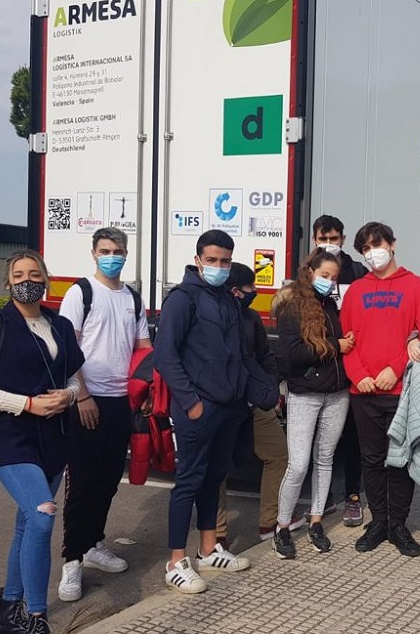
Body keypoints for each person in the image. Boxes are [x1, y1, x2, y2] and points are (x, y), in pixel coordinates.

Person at [0, 250, 85, 634]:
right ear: (7, 282)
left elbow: (75, 378)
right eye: (19, 274)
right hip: (11, 438)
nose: (27, 279)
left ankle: (8, 612)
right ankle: (36, 617)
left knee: (28, 525)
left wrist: (70, 396)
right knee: (43, 515)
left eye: (35, 273)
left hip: (54, 441)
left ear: (46, 279)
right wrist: (25, 404)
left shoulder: (58, 325)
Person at [154, 230, 252, 595]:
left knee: (215, 478)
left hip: (228, 408)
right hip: (197, 408)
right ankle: (176, 561)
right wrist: (192, 402)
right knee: (189, 482)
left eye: (225, 261)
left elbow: (237, 353)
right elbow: (165, 355)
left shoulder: (227, 299)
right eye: (212, 260)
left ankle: (208, 549)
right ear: (198, 260)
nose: (219, 267)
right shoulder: (183, 299)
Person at [57, 227, 151, 603]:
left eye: (118, 250)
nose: (112, 255)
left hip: (120, 402)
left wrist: (146, 389)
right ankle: (72, 559)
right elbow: (67, 347)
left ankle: (94, 543)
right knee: (81, 483)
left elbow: (143, 347)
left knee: (109, 479)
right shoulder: (81, 293)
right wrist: (81, 396)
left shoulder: (132, 298)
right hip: (87, 400)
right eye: (105, 250)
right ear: (94, 253)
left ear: (127, 254)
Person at [341, 221, 420, 557]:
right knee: (371, 460)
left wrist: (394, 369)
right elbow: (346, 343)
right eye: (364, 249)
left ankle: (398, 524)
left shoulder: (416, 286)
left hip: (400, 391)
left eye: (376, 244)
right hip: (362, 392)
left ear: (392, 244)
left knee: (400, 461)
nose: (372, 253)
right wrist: (359, 375)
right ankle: (379, 521)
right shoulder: (355, 291)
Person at [271, 249, 353, 558]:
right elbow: (291, 354)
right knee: (299, 463)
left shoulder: (331, 306)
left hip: (336, 393)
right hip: (305, 393)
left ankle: (316, 520)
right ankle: (282, 527)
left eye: (334, 278)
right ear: (310, 273)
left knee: (325, 458)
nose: (329, 282)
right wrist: (335, 346)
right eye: (324, 276)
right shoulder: (291, 307)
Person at [215, 262, 287, 546]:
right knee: (217, 467)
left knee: (279, 454)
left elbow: (265, 355)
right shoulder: (211, 318)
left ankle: (269, 522)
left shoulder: (251, 318)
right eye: (250, 287)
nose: (255, 292)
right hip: (221, 403)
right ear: (235, 290)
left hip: (254, 402)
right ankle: (217, 533)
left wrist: (271, 389)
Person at [312, 214, 369, 527]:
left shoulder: (356, 271)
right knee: (321, 439)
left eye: (335, 239)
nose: (329, 244)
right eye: (324, 238)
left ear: (343, 240)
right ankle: (321, 501)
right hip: (319, 367)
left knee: (352, 438)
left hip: (351, 364)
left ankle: (352, 497)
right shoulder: (308, 274)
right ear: (314, 240)